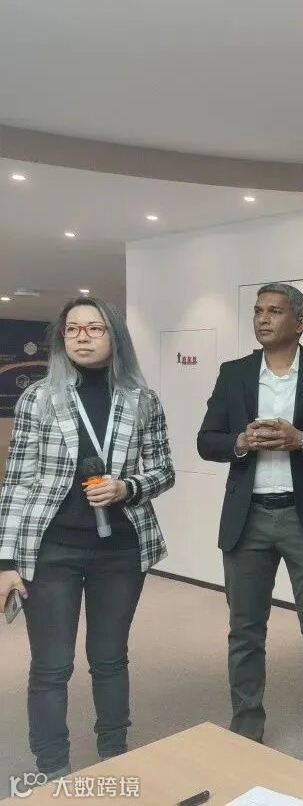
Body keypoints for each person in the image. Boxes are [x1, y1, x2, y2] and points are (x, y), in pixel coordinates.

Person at [196, 283, 303, 775]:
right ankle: (246, 728)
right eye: (258, 310)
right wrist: (240, 441)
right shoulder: (233, 373)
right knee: (245, 631)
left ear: (300, 321)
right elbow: (207, 441)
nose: (263, 318)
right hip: (247, 518)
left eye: (274, 311)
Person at [0, 297, 175, 779]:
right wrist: (5, 561)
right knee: (51, 666)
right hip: (50, 550)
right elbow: (16, 482)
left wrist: (127, 488)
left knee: (110, 658)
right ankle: (52, 767)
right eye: (72, 328)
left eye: (94, 328)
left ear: (114, 336)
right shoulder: (38, 398)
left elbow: (163, 471)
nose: (81, 336)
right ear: (62, 337)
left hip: (120, 550)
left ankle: (114, 752)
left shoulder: (142, 400)